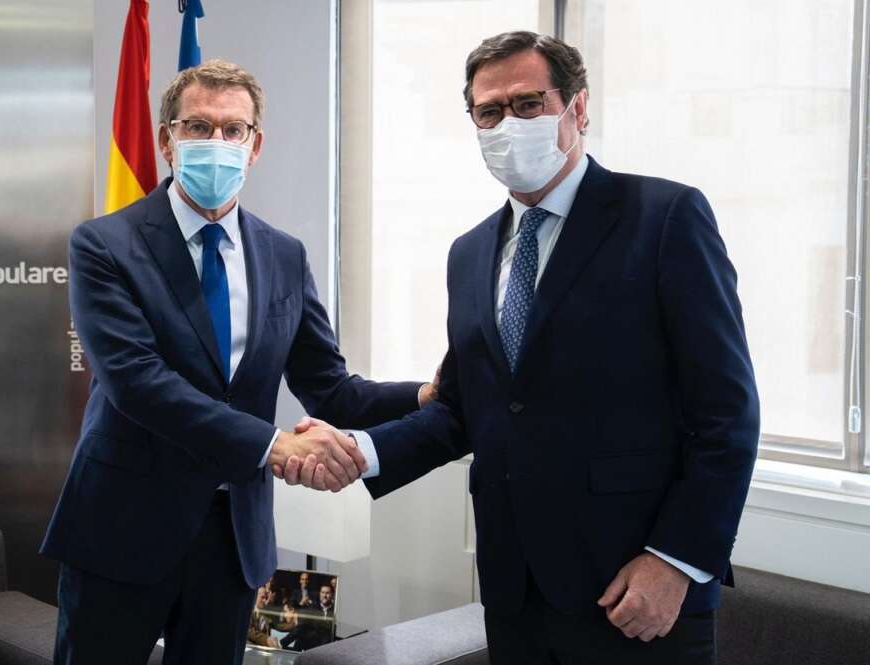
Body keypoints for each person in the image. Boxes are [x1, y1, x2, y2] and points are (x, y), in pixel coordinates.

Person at [280, 31, 759, 664]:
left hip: (635, 590)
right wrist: (360, 452)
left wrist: (677, 562)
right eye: (490, 111)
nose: (509, 123)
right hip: (513, 591)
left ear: (577, 109)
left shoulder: (664, 217)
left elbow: (727, 413)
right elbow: (466, 409)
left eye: (529, 104)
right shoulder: (469, 252)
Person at [40, 59, 435, 665]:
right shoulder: (104, 244)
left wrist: (421, 398)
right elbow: (138, 384)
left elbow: (331, 390)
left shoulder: (282, 254)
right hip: (121, 528)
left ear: (255, 147)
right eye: (198, 127)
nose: (216, 143)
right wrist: (276, 447)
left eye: (233, 130)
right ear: (167, 140)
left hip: (232, 538)